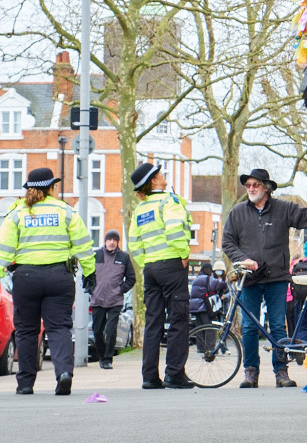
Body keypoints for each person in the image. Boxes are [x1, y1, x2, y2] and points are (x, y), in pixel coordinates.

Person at [221, 168, 307, 388]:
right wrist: (243, 259)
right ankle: (251, 372)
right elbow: (227, 242)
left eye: (255, 185)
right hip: (250, 279)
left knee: (277, 325)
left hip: (276, 277)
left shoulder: (283, 209)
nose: (251, 189)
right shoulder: (237, 213)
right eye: (248, 185)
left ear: (266, 187)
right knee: (249, 327)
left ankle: (281, 372)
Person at [0, 167, 96, 395]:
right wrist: (89, 273)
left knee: (26, 331)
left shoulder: (17, 213)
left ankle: (25, 383)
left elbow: (4, 248)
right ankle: (64, 373)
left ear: (30, 189)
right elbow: (84, 245)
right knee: (59, 328)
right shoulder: (66, 211)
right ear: (52, 187)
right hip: (60, 277)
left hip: (26, 278)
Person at [127, 162, 194, 390]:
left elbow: (134, 244)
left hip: (151, 268)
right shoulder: (169, 201)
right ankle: (174, 374)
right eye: (160, 173)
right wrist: (184, 254)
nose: (164, 175)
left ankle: (149, 377)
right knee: (178, 320)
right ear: (154, 180)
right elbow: (175, 229)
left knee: (153, 323)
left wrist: (146, 263)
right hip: (173, 265)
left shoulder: (140, 209)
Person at [89, 229, 136, 369]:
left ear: (117, 242)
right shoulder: (96, 255)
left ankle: (108, 358)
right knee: (97, 330)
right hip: (98, 298)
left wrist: (120, 290)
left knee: (111, 330)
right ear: (105, 241)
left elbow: (131, 278)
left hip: (115, 300)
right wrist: (92, 289)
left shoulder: (123, 257)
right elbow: (87, 274)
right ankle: (102, 356)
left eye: (114, 240)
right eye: (109, 239)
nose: (111, 242)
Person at [190, 261, 227, 350]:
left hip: (195, 308)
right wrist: (225, 281)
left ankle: (200, 347)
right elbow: (219, 285)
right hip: (205, 307)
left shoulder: (196, 279)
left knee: (200, 328)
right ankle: (210, 348)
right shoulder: (207, 279)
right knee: (210, 327)